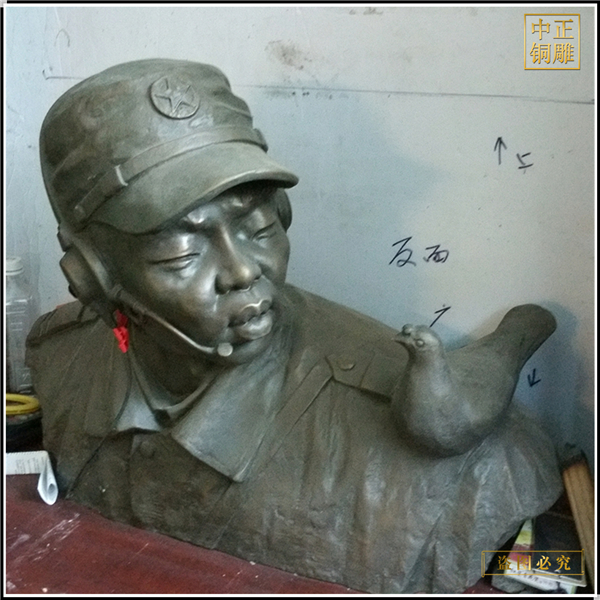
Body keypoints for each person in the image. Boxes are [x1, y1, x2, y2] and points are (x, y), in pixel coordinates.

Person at [26, 59, 562, 594]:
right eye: (182, 255)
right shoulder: (61, 356)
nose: (243, 271)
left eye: (258, 227)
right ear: (92, 275)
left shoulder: (472, 472)